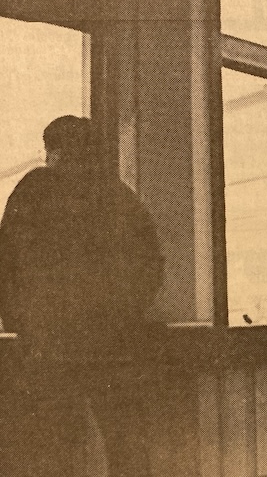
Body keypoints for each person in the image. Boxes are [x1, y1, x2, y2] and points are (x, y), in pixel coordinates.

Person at [0, 116, 163, 477]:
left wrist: (24, 326)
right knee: (125, 446)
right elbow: (151, 265)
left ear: (54, 152)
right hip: (113, 345)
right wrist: (123, 316)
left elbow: (6, 265)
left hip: (49, 346)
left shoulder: (33, 190)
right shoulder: (117, 195)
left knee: (51, 449)